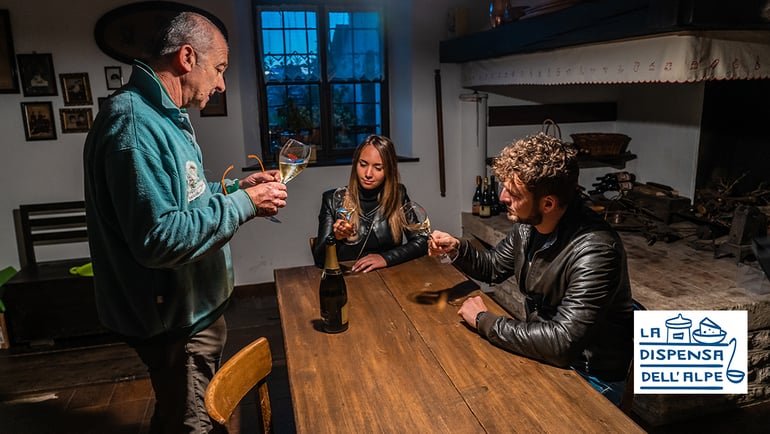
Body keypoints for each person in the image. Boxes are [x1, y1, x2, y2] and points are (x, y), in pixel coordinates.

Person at [82, 12, 287, 434]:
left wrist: (234, 188)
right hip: (174, 322)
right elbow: (160, 238)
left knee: (178, 410)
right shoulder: (134, 125)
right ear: (188, 57)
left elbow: (186, 195)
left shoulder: (164, 114)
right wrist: (245, 204)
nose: (222, 84)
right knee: (192, 422)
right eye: (220, 69)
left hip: (192, 312)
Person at [429, 132, 634, 405]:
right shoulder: (529, 227)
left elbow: (562, 343)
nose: (502, 197)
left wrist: (483, 320)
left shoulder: (596, 250)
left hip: (589, 375)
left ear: (547, 203)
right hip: (546, 349)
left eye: (513, 194)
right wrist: (456, 248)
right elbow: (493, 267)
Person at [312, 134, 427, 273]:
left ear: (389, 170)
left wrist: (386, 258)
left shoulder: (398, 195)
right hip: (350, 276)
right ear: (355, 164)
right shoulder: (333, 200)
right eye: (363, 164)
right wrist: (335, 237)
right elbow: (319, 259)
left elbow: (422, 241)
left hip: (390, 275)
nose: (368, 173)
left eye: (378, 168)